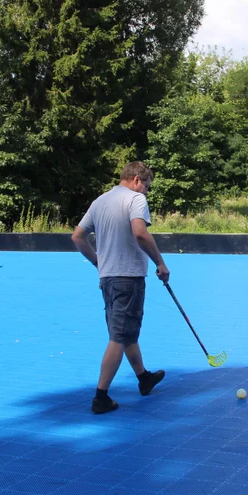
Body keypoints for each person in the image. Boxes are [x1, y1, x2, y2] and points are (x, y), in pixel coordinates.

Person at [72, 161, 169, 414]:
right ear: (137, 180)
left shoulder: (100, 201)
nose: (146, 191)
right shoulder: (135, 200)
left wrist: (98, 261)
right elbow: (140, 233)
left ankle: (144, 378)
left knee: (125, 331)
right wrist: (160, 262)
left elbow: (77, 236)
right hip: (129, 277)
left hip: (108, 278)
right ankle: (101, 397)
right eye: (146, 186)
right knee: (118, 336)